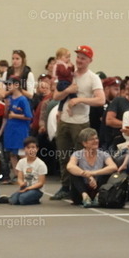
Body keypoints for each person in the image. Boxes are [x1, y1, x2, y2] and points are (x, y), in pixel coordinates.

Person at [50, 45, 105, 200]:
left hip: (80, 122)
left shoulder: (93, 78)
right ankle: (65, 186)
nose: (79, 60)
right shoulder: (68, 74)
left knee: (82, 157)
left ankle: (81, 188)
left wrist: (80, 99)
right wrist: (68, 91)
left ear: (90, 60)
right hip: (64, 120)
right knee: (63, 155)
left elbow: (101, 100)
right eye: (78, 57)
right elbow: (56, 96)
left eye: (83, 58)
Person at [66, 128, 118, 207]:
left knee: (108, 172)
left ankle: (98, 196)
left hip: (98, 188)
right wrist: (87, 175)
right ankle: (85, 196)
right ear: (84, 143)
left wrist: (93, 173)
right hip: (81, 191)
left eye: (96, 138)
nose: (95, 141)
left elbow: (113, 167)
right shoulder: (77, 154)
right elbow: (70, 166)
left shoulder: (103, 154)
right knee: (73, 172)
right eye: (91, 139)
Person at [1, 137, 47, 205]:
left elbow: (41, 183)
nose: (31, 150)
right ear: (24, 149)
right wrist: (21, 183)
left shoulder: (41, 164)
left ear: (37, 149)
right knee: (14, 201)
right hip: (25, 187)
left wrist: (29, 188)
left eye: (33, 147)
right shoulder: (21, 162)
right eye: (28, 147)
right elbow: (19, 178)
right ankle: (11, 198)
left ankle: (36, 200)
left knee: (22, 199)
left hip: (36, 189)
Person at [3, 79, 32, 181]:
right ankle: (17, 175)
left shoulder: (23, 99)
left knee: (22, 153)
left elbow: (28, 116)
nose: (8, 86)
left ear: (16, 85)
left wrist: (15, 115)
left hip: (20, 130)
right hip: (10, 129)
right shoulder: (9, 99)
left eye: (10, 84)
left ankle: (27, 174)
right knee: (12, 153)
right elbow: (6, 115)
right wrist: (6, 107)